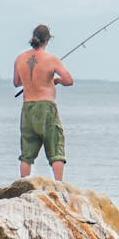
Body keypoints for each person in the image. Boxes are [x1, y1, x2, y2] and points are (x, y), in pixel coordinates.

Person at [13, 24, 74, 180]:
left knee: (27, 153)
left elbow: (17, 82)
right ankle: (59, 186)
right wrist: (57, 80)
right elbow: (69, 80)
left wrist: (31, 81)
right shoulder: (52, 59)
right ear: (47, 40)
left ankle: (24, 185)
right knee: (56, 148)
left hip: (28, 108)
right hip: (46, 107)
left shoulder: (20, 58)